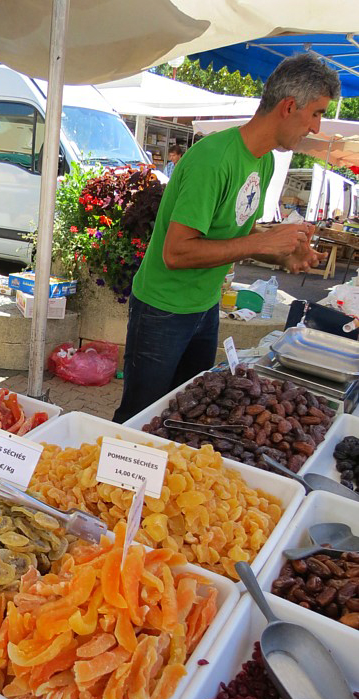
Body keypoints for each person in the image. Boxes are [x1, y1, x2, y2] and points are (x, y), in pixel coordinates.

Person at [112, 53, 340, 424]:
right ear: (288, 106)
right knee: (140, 418)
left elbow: (241, 233)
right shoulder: (213, 159)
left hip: (204, 308)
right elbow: (176, 252)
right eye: (316, 113)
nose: (315, 127)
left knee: (187, 415)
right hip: (162, 310)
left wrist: (282, 254)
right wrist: (262, 243)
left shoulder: (263, 161)